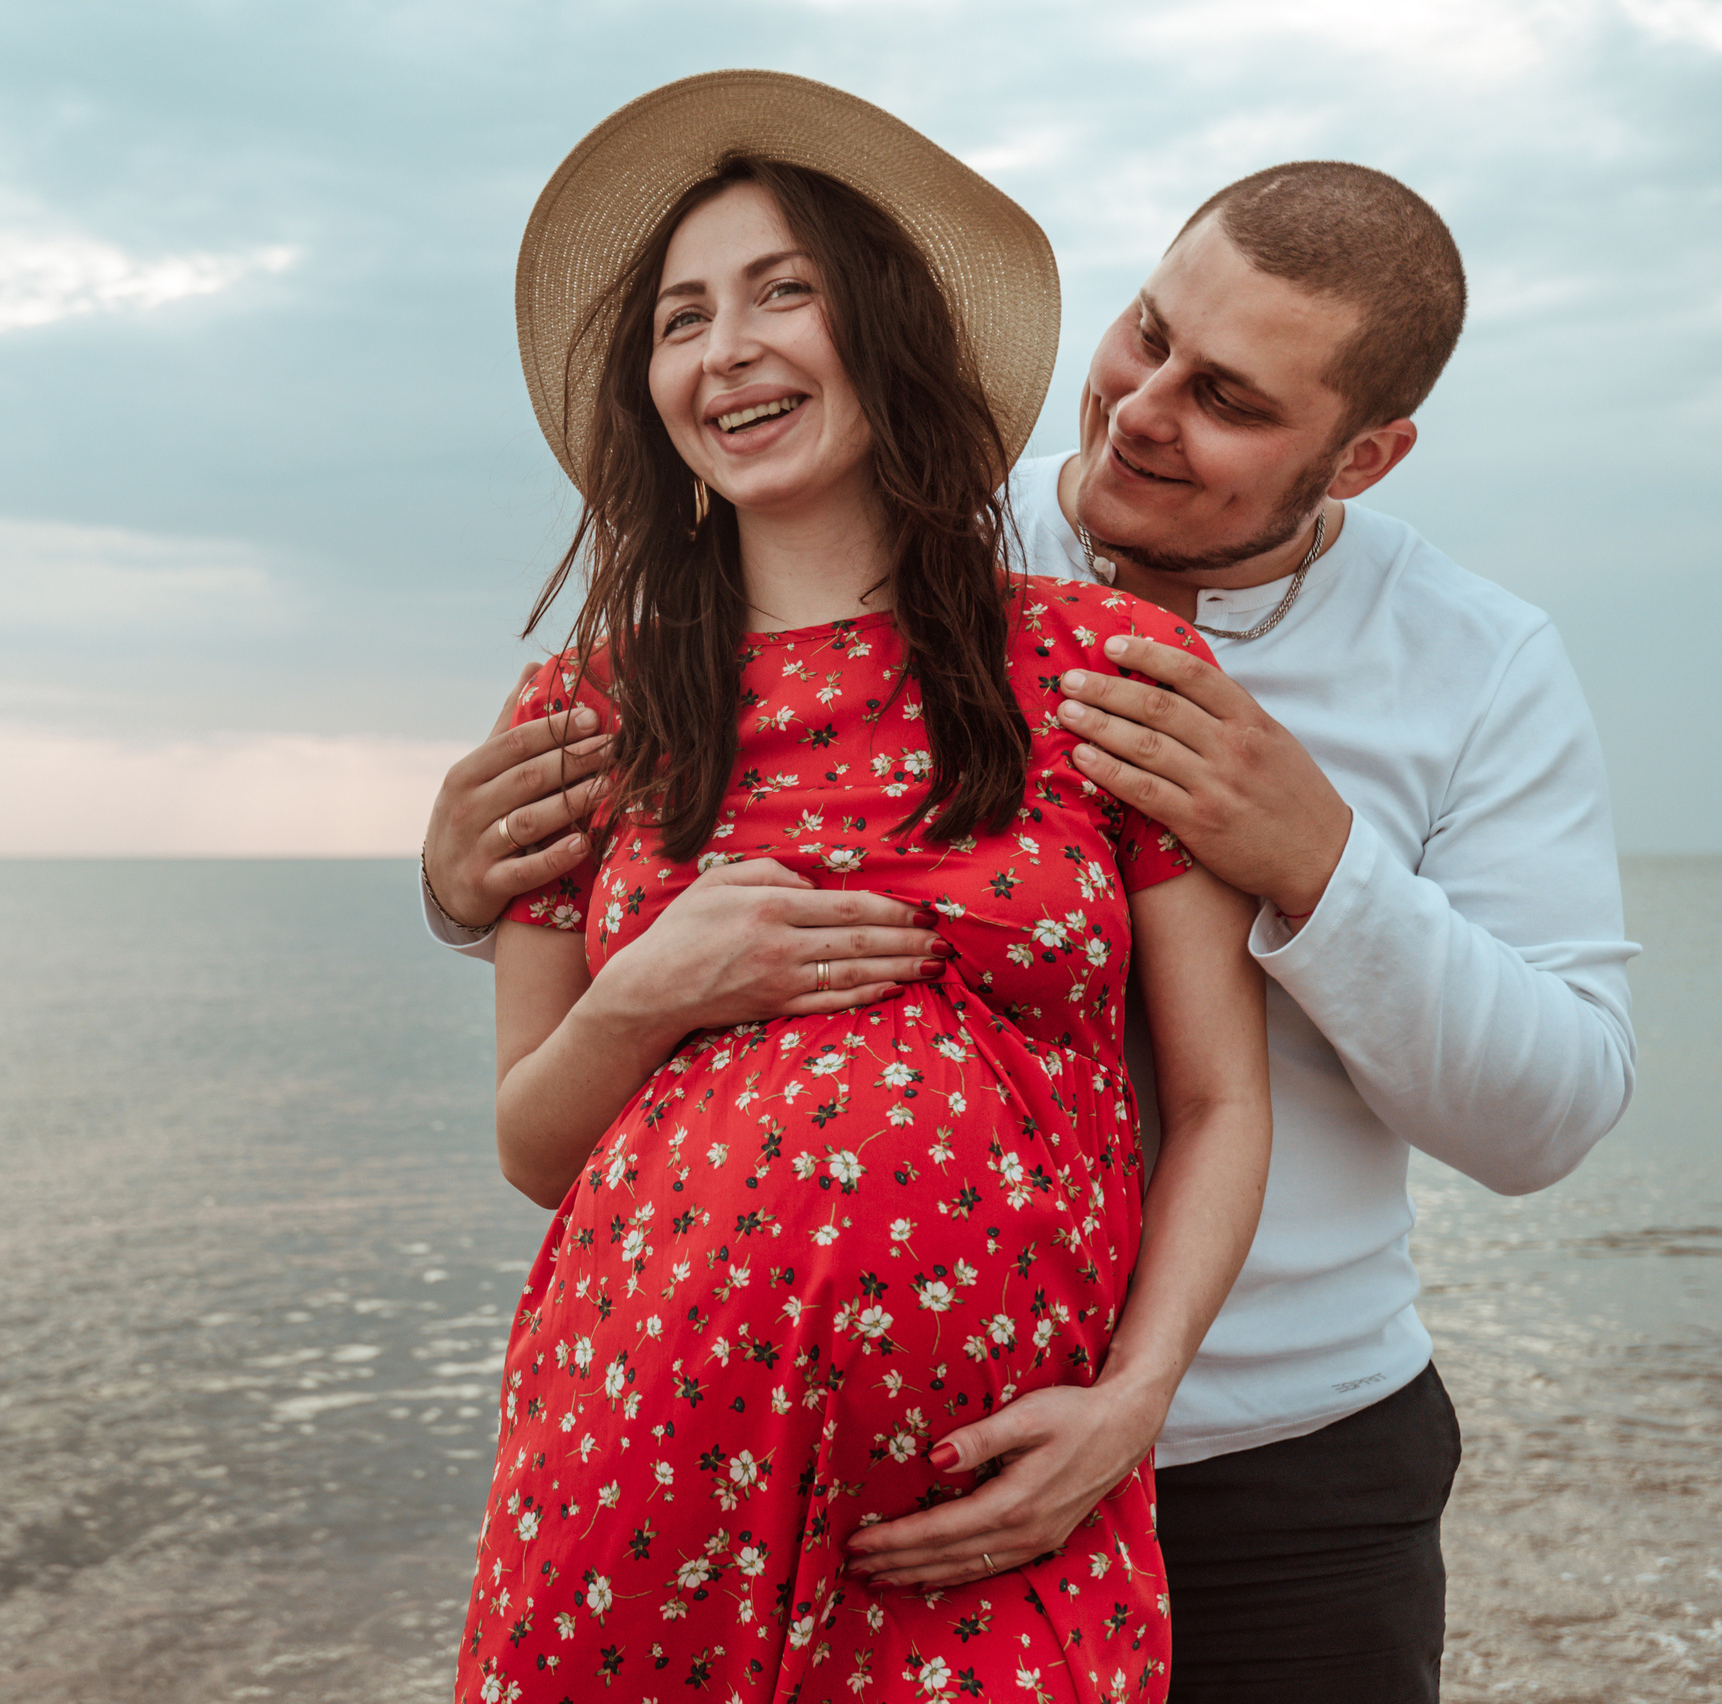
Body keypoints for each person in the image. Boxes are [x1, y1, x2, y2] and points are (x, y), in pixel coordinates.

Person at [424, 148, 1640, 1701]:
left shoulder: (1474, 663)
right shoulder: (910, 522)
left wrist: (1317, 860)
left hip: (1279, 1454)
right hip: (774, 1467)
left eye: (1231, 401)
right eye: (1147, 335)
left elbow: (1550, 1113)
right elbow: (636, 950)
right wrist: (465, 889)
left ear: (1364, 457)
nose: (1141, 409)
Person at [455, 72, 1273, 1704]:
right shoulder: (584, 714)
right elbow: (535, 1148)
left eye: (782, 292)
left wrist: (1135, 1404)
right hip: (627, 1503)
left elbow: (1220, 1098)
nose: (726, 348)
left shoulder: (1105, 672)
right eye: (682, 318)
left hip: (992, 1514)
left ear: (888, 337)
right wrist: (649, 992)